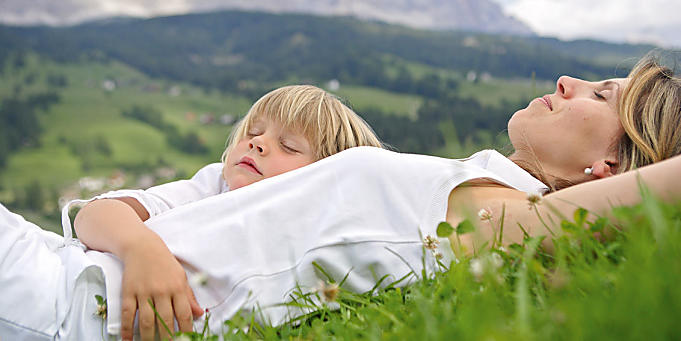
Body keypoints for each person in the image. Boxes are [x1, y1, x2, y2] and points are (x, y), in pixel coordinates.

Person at [2, 54, 680, 340]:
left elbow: (568, 228)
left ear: (609, 168)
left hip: (66, 306)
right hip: (52, 269)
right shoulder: (474, 181)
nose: (567, 81)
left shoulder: (506, 215)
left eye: (601, 95)